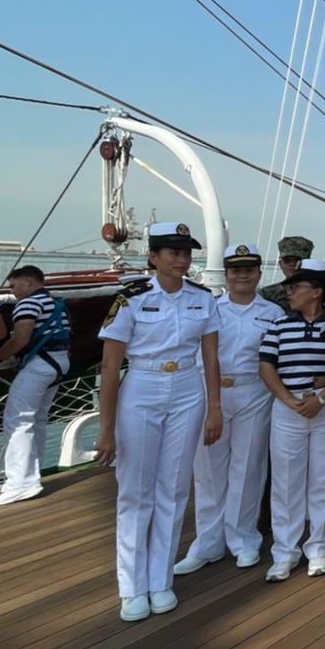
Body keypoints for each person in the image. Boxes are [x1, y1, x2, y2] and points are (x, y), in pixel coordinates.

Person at [94, 221, 223, 622]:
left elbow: (211, 358)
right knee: (135, 491)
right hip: (142, 387)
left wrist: (215, 407)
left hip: (187, 389)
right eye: (174, 252)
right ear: (154, 257)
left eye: (186, 253)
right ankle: (132, 587)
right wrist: (106, 429)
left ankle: (160, 580)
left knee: (174, 488)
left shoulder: (203, 299)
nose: (182, 260)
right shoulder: (130, 299)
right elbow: (110, 367)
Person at [174, 243, 278, 573]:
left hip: (254, 391)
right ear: (227, 274)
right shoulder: (210, 309)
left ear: (259, 273)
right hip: (211, 392)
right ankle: (207, 543)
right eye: (235, 270)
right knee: (208, 471)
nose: (242, 276)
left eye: (248, 270)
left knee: (248, 469)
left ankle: (243, 539)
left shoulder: (274, 314)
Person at [258, 259, 325, 582]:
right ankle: (285, 552)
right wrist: (289, 400)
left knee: (323, 480)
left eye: (296, 287)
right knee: (285, 482)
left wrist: (321, 398)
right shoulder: (279, 325)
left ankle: (318, 549)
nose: (290, 292)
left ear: (316, 292)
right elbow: (266, 366)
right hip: (288, 408)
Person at [0, 265, 71, 507]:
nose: (13, 291)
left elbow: (20, 338)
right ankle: (31, 476)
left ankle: (19, 483)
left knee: (17, 420)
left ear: (29, 283)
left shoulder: (28, 304)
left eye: (14, 286)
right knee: (37, 419)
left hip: (39, 366)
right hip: (59, 363)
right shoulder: (55, 302)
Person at [261, 235, 315, 307]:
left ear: (307, 263)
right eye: (287, 260)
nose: (292, 264)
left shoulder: (316, 293)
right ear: (280, 264)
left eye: (297, 260)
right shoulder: (267, 294)